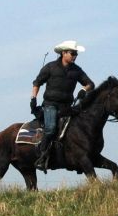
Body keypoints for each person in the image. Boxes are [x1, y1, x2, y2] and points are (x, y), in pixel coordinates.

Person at [31, 40, 94, 170]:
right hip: (50, 105)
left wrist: (83, 90)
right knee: (51, 129)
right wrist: (33, 98)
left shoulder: (77, 70)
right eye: (72, 53)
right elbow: (37, 83)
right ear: (63, 53)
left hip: (67, 107)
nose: (75, 56)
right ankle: (42, 158)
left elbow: (90, 84)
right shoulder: (50, 67)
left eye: (76, 54)